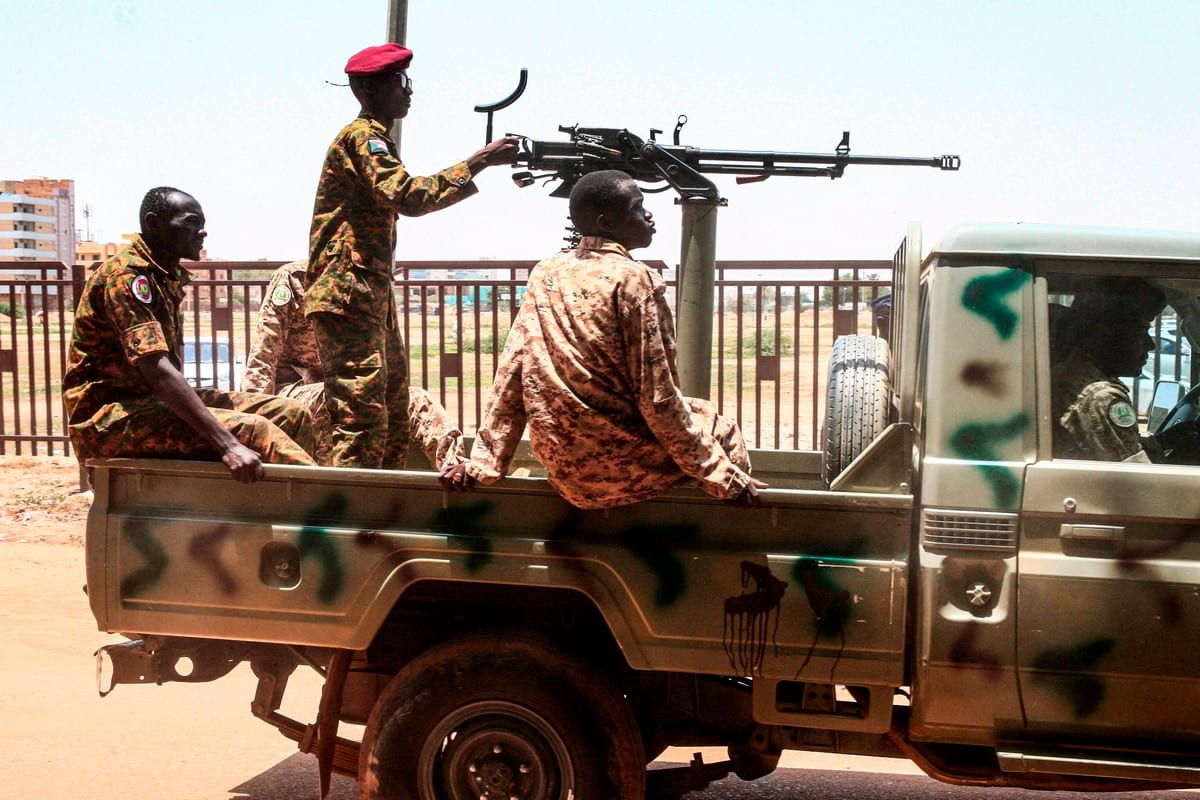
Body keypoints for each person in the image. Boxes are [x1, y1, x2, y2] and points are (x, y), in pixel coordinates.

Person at [441, 170, 767, 509]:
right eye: (638, 208)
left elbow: (512, 372)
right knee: (718, 425)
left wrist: (485, 464)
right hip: (623, 472)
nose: (648, 215)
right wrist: (725, 477)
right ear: (606, 222)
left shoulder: (546, 272)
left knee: (696, 414)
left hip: (565, 471)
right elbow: (658, 396)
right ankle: (719, 535)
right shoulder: (634, 279)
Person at [306, 43, 519, 469]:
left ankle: (385, 507)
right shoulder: (363, 139)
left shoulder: (375, 139)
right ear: (368, 88)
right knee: (360, 415)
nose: (409, 91)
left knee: (391, 401)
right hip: (347, 295)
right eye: (400, 81)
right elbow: (409, 197)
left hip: (366, 294)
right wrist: (478, 162)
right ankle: (353, 520)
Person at [63, 187, 316, 483]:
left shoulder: (162, 275)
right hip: (110, 419)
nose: (203, 232)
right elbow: (157, 369)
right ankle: (334, 513)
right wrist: (228, 445)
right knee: (256, 431)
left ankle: (282, 513)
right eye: (192, 222)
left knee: (291, 412)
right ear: (154, 223)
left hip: (148, 405)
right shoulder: (127, 277)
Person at [243, 260, 465, 469]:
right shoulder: (294, 279)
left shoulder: (369, 285)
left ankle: (456, 472)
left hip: (352, 387)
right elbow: (263, 355)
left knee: (416, 399)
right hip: (293, 392)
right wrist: (255, 423)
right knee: (337, 397)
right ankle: (331, 484)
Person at [1051, 277, 1166, 462]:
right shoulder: (1099, 396)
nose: (1150, 344)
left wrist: (1163, 441)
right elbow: (1141, 482)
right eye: (1138, 333)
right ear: (1105, 335)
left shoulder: (1073, 375)